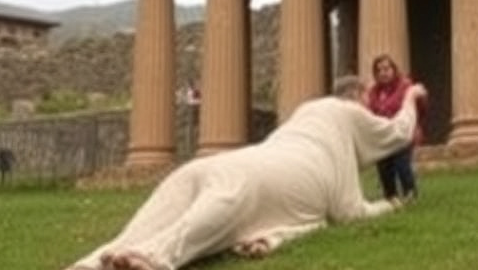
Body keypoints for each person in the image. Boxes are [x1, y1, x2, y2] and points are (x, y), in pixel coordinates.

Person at [65, 76, 428, 270]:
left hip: (226, 162)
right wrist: (410, 96)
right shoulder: (347, 113)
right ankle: (157, 258)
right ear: (358, 99)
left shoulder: (304, 113)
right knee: (227, 200)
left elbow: (314, 220)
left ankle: (95, 260)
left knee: (159, 213)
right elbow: (352, 205)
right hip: (273, 174)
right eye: (367, 99)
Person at [365, 54, 423, 202]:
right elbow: (370, 111)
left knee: (401, 164)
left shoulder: (405, 86)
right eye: (379, 70)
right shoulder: (373, 92)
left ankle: (410, 193)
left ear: (393, 69)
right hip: (383, 135)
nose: (383, 73)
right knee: (384, 166)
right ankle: (390, 196)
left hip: (402, 133)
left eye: (386, 68)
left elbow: (419, 106)